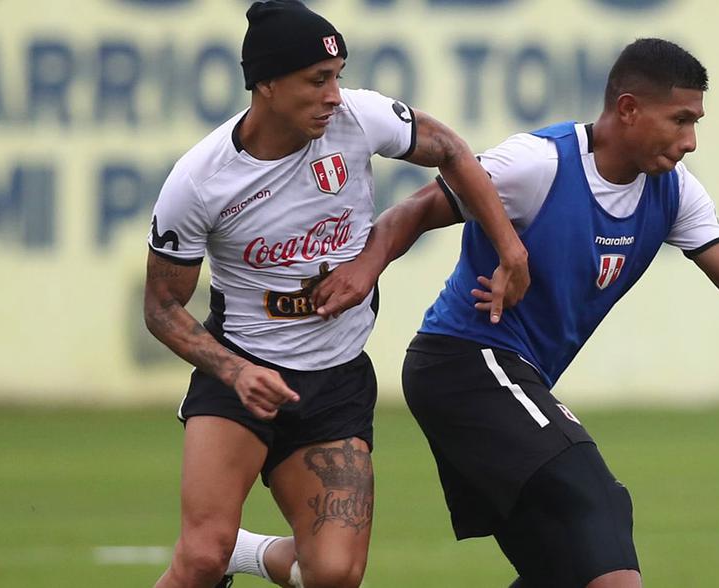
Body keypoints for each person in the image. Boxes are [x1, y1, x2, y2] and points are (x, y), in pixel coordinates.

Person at [301, 37, 719, 587]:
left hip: (511, 378)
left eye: (695, 123)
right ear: (628, 108)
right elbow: (415, 209)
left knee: (570, 572)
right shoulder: (537, 164)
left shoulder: (673, 193)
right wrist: (365, 269)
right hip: (464, 364)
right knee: (596, 501)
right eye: (680, 120)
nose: (690, 141)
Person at [142, 1, 528, 587]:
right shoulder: (200, 181)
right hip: (244, 375)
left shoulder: (358, 119)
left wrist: (510, 249)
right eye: (317, 79)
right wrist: (233, 372)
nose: (333, 94)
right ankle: (221, 555)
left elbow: (450, 149)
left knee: (333, 575)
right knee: (199, 557)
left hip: (335, 380)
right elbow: (162, 307)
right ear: (266, 84)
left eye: (338, 76)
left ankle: (245, 554)